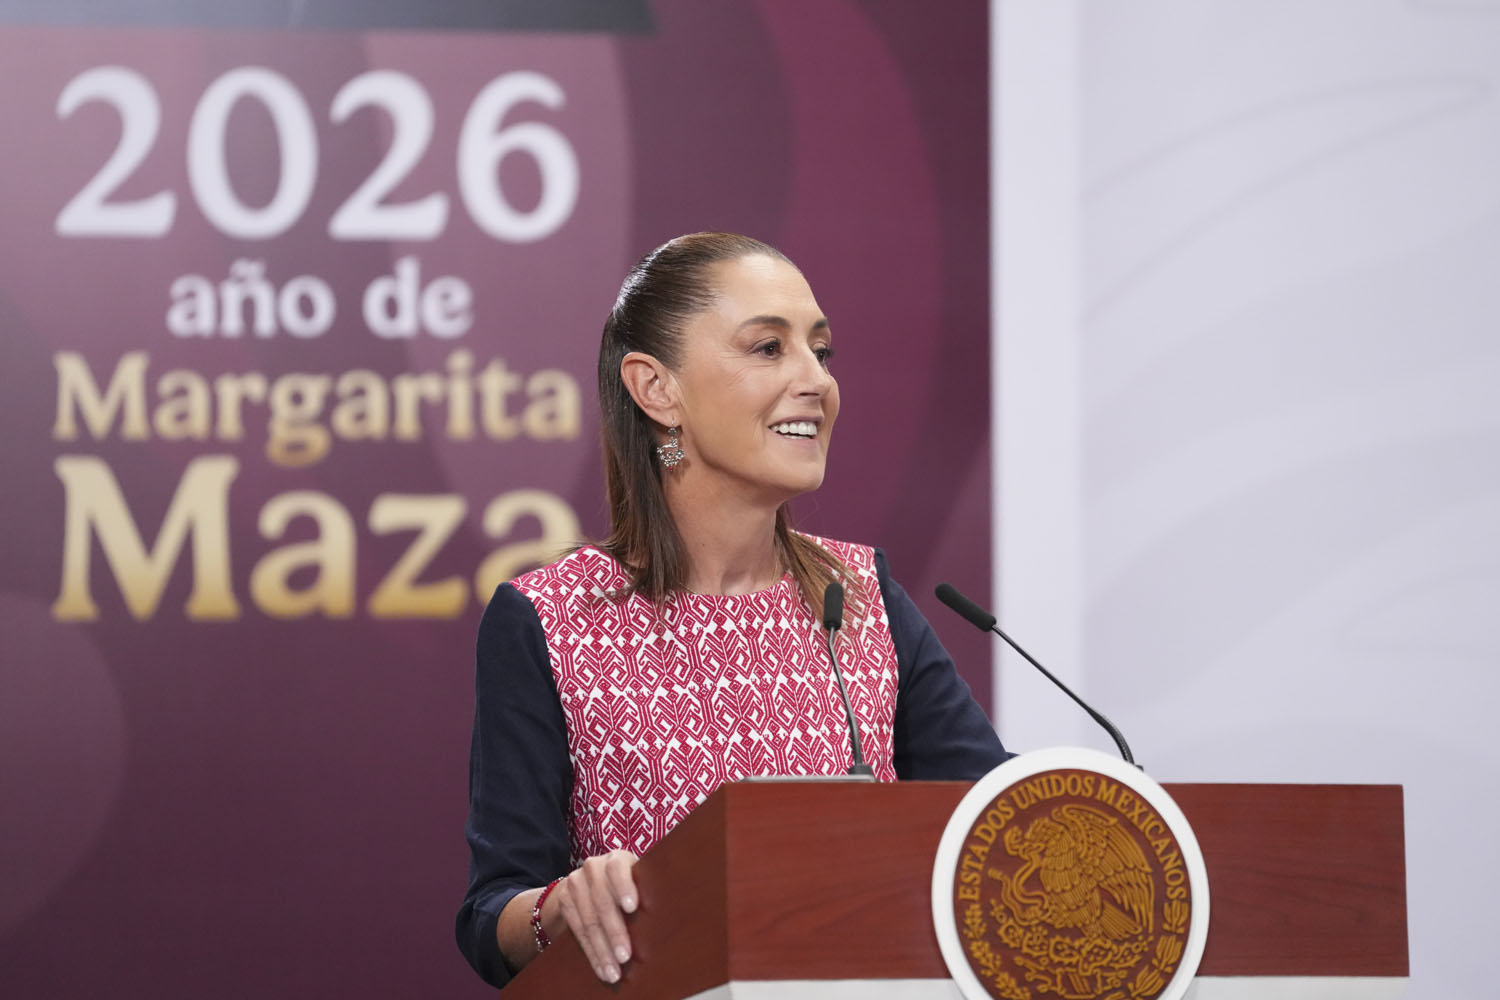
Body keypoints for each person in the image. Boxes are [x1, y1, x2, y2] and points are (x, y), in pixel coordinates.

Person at [456, 232, 1010, 989]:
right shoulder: (549, 617)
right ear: (657, 389)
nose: (816, 380)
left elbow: (999, 824)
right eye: (768, 348)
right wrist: (561, 906)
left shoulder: (859, 594)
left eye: (821, 351)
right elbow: (492, 915)